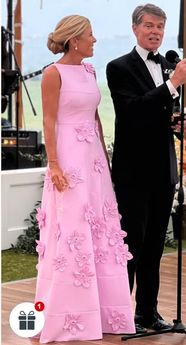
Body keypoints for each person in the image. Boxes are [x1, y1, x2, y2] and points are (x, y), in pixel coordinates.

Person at [34, 14, 135, 343]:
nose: (94, 40)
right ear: (74, 39)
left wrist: (104, 159)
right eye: (90, 35)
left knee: (101, 231)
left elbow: (95, 118)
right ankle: (67, 314)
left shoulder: (90, 71)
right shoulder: (53, 74)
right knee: (73, 229)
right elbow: (48, 122)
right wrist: (54, 164)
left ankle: (105, 311)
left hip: (93, 162)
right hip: (67, 160)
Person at [106, 4, 186, 331]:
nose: (155, 31)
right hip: (133, 172)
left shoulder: (167, 64)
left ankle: (147, 313)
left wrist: (173, 122)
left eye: (160, 26)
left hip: (162, 170)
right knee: (131, 244)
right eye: (149, 26)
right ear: (135, 28)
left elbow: (153, 114)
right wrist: (172, 85)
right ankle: (119, 316)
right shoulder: (119, 67)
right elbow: (132, 114)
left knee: (155, 245)